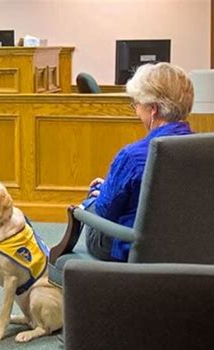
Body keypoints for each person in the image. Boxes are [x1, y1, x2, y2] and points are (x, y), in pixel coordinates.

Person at [80, 62, 194, 262]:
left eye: (137, 104)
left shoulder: (132, 156)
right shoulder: (208, 148)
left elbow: (105, 211)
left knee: (90, 205)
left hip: (135, 248)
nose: (136, 111)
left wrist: (98, 195)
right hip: (190, 244)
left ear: (153, 109)